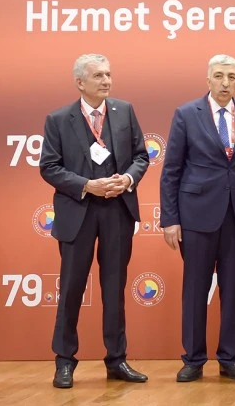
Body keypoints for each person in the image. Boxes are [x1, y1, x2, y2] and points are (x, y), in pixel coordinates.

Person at [39, 53, 149, 388]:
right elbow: (49, 167)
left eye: (108, 74)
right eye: (98, 75)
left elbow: (141, 156)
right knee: (71, 288)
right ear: (80, 82)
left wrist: (127, 179)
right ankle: (64, 361)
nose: (106, 81)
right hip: (79, 210)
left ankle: (116, 360)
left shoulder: (124, 110)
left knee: (114, 289)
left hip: (117, 210)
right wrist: (87, 185)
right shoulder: (59, 119)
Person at [160, 54, 235, 382]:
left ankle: (229, 357)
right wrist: (170, 219)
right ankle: (193, 358)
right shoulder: (187, 113)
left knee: (234, 291)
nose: (225, 82)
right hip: (196, 216)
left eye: (231, 76)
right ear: (208, 79)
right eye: (219, 76)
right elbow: (171, 170)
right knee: (195, 289)